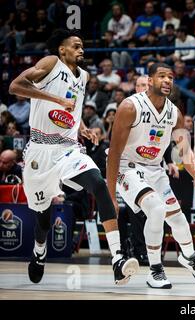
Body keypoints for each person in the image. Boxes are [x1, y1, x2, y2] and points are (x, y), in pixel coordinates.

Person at [8, 29, 139, 285]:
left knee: (98, 184)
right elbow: (15, 86)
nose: (81, 50)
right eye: (76, 46)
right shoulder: (50, 63)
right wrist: (54, 98)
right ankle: (39, 252)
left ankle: (117, 260)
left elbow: (73, 106)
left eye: (83, 46)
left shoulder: (85, 76)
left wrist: (81, 127)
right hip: (40, 152)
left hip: (68, 148)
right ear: (62, 49)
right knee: (43, 221)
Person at [106, 62, 195, 289]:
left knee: (178, 218)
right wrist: (111, 196)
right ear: (151, 79)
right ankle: (155, 270)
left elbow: (185, 149)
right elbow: (114, 152)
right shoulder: (129, 107)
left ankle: (189, 257)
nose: (167, 81)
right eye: (162, 76)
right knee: (156, 209)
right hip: (128, 167)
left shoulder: (174, 113)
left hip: (155, 169)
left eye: (171, 77)